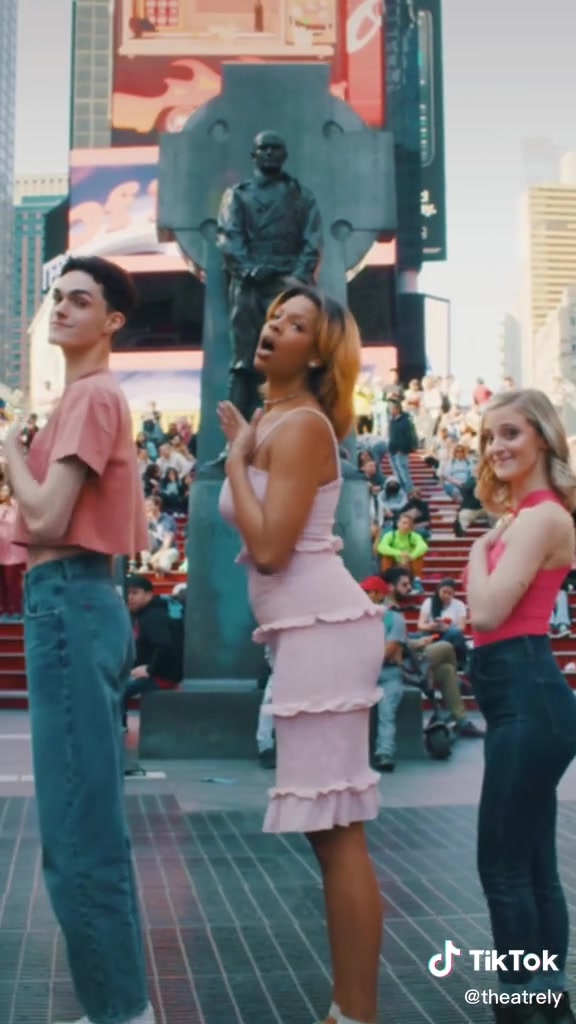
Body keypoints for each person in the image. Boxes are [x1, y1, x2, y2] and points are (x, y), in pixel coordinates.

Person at [218, 284, 384, 1024]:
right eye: (274, 317)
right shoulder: (271, 417)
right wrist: (245, 443)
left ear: (317, 354)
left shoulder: (302, 426)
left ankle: (355, 1014)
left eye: (294, 325)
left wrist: (234, 460)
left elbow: (269, 549)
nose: (274, 328)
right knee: (329, 832)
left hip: (324, 629)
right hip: (306, 630)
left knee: (337, 833)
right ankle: (351, 1010)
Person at [4, 255, 154, 1024]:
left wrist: (8, 453)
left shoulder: (92, 396)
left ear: (111, 321)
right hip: (74, 602)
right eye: (57, 298)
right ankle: (121, 1006)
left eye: (81, 300)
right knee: (85, 823)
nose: (61, 308)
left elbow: (47, 516)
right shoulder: (83, 397)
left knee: (76, 833)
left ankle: (120, 1011)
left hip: (68, 600)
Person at [466, 388, 576, 1023]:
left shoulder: (540, 518)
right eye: (489, 437)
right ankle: (548, 1002)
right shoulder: (523, 516)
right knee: (532, 867)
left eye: (510, 433)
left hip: (528, 697)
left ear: (542, 437)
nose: (496, 447)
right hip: (522, 697)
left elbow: (485, 613)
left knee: (502, 868)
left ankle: (518, 1008)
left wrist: (478, 552)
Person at [216, 130, 323, 424]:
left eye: (275, 148)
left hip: (289, 286)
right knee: (244, 362)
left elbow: (313, 241)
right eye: (263, 148)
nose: (269, 153)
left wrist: (297, 279)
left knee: (296, 359)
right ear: (253, 155)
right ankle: (233, 435)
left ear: (284, 155)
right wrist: (249, 270)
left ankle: (298, 424)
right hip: (250, 287)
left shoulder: (302, 196)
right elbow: (228, 238)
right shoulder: (238, 195)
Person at [122, 575, 184, 729]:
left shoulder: (153, 616)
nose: (130, 597)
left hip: (163, 675)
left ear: (149, 594)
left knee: (115, 689)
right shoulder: (145, 613)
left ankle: (117, 728)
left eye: (135, 593)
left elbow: (166, 646)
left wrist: (149, 669)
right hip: (156, 670)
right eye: (127, 593)